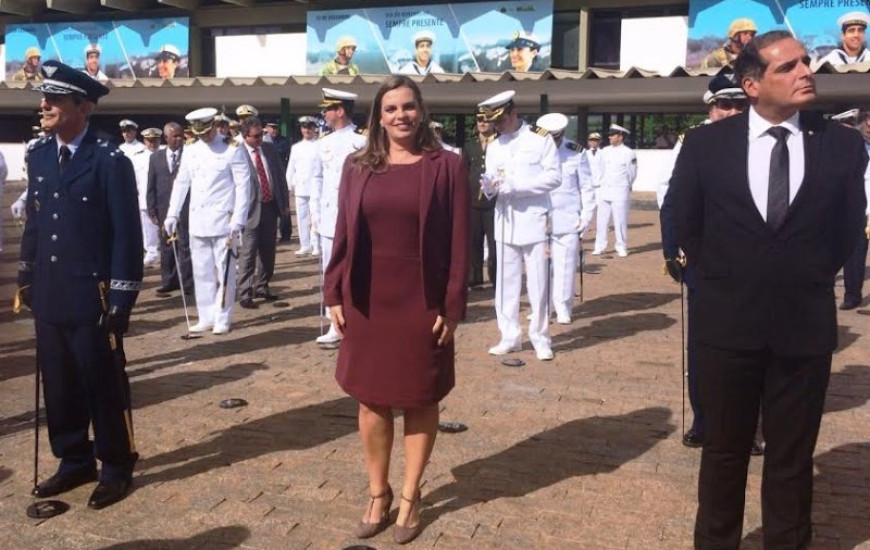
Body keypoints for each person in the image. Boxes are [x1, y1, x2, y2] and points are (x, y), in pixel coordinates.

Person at [671, 31, 868, 547]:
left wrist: (805, 275)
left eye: (806, 62)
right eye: (789, 67)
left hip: (803, 326)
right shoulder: (705, 145)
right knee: (723, 453)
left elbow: (848, 230)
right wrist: (708, 279)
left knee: (791, 459)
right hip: (726, 325)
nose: (806, 71)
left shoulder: (843, 145)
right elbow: (681, 219)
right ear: (753, 84)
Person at [323, 74, 470, 545]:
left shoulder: (446, 165)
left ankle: (410, 495)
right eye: (391, 109)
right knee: (371, 396)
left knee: (421, 397)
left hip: (422, 300)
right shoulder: (357, 165)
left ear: (421, 111)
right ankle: (377, 492)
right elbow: (343, 231)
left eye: (408, 106)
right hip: (368, 297)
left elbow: (460, 242)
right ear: (378, 118)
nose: (400, 115)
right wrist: (333, 292)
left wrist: (452, 304)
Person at [16, 60, 142, 509]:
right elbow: (36, 219)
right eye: (43, 97)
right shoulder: (39, 154)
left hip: (94, 296)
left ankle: (115, 464)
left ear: (82, 106)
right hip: (51, 292)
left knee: (103, 383)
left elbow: (127, 235)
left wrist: (123, 298)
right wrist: (26, 274)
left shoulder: (109, 160)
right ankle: (73, 459)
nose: (44, 104)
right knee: (60, 383)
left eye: (54, 98)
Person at [659, 73, 748, 449]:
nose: (730, 112)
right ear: (711, 110)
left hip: (752, 268)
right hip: (706, 265)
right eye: (723, 105)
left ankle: (746, 423)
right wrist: (670, 249)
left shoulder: (764, 145)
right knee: (704, 347)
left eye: (737, 105)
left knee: (750, 350)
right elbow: (674, 200)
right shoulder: (696, 144)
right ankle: (704, 419)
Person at [479, 90, 561, 361]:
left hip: (533, 219)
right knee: (505, 283)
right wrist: (489, 188)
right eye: (494, 122)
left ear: (514, 113)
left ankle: (539, 336)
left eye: (501, 120)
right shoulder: (493, 145)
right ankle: (510, 335)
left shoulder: (540, 139)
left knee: (537, 282)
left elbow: (554, 178)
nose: (498, 126)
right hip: (504, 221)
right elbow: (493, 180)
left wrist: (520, 188)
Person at [163, 108, 252, 335]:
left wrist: (239, 218)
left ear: (214, 125)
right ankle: (205, 316)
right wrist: (172, 213)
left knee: (224, 271)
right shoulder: (191, 150)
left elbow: (244, 186)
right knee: (201, 270)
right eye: (199, 133)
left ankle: (222, 316)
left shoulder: (232, 149)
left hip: (224, 220)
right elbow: (182, 183)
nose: (204, 136)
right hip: (198, 220)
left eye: (206, 131)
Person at [311, 88, 368, 346]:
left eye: (328, 109)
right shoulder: (322, 143)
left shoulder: (362, 141)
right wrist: (314, 213)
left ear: (340, 111)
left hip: (355, 216)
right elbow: (317, 179)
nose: (324, 113)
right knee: (330, 270)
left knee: (356, 268)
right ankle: (334, 323)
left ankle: (357, 318)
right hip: (328, 216)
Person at [537, 113, 595, 325]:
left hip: (568, 216)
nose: (553, 142)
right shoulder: (536, 151)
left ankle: (562, 306)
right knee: (539, 267)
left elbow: (587, 187)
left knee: (565, 264)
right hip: (540, 217)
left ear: (561, 135)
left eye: (556, 138)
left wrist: (586, 216)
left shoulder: (575, 152)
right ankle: (541, 307)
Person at [237, 116, 290, 308]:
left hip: (270, 206)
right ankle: (244, 292)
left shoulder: (268, 149)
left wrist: (283, 203)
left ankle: (262, 286)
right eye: (256, 136)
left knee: (268, 251)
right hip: (249, 210)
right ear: (245, 136)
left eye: (262, 134)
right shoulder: (237, 153)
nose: (260, 139)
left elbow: (279, 176)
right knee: (248, 252)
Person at [147, 121, 193, 296]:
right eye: (175, 136)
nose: (179, 139)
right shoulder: (156, 158)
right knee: (167, 247)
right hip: (163, 208)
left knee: (185, 246)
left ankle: (187, 283)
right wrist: (152, 209)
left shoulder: (189, 155)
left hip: (186, 208)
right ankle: (169, 281)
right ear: (166, 137)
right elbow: (151, 185)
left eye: (181, 135)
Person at [463, 108, 497, 288]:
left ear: (493, 122)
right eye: (479, 120)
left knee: (494, 242)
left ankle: (495, 278)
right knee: (474, 241)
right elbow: (464, 171)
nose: (482, 123)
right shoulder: (469, 145)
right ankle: (474, 278)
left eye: (486, 120)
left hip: (493, 201)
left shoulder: (500, 143)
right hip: (473, 201)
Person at [840, 109, 870, 310]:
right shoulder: (852, 145)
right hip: (859, 207)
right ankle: (852, 295)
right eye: (868, 122)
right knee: (854, 254)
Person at [593, 124, 637, 257]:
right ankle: (600, 246)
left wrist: (625, 185)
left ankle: (621, 246)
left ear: (620, 137)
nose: (609, 137)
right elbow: (600, 169)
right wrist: (600, 184)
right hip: (605, 189)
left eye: (613, 135)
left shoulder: (629, 153)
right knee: (601, 221)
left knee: (620, 220)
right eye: (610, 134)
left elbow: (632, 173)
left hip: (620, 190)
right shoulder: (605, 151)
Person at [286, 115, 321, 256]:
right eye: (304, 128)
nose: (307, 130)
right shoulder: (296, 147)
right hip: (301, 187)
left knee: (316, 217)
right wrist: (288, 186)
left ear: (314, 129)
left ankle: (316, 244)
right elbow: (291, 168)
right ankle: (305, 244)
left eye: (309, 128)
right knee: (301, 218)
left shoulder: (320, 145)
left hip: (316, 188)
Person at [131, 127, 162, 267]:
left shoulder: (165, 153)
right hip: (144, 195)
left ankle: (165, 252)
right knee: (148, 227)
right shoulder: (138, 157)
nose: (152, 143)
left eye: (155, 140)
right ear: (144, 141)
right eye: (149, 140)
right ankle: (152, 252)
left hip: (163, 196)